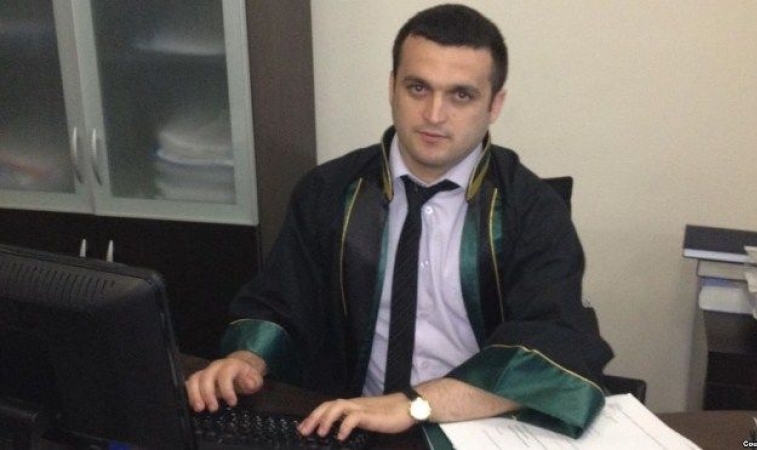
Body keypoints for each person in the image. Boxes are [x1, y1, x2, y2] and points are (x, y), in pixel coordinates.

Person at [186, 3, 613, 441]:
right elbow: (281, 300)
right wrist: (247, 359)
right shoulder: (329, 191)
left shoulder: (532, 210)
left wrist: (413, 404)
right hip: (348, 421)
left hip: (472, 430)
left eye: (461, 95)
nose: (434, 114)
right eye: (418, 88)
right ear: (392, 87)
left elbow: (552, 342)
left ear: (494, 105)